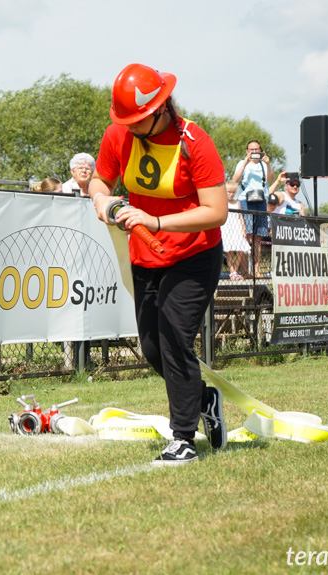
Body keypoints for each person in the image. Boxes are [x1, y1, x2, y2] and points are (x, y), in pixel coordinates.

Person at [88, 63, 228, 466]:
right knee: (152, 348)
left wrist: (156, 221)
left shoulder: (195, 141)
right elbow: (101, 181)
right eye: (125, 121)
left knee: (175, 339)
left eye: (138, 120)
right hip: (145, 257)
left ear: (161, 107)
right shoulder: (118, 135)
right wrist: (102, 200)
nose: (129, 128)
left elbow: (216, 211)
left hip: (194, 256)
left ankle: (183, 437)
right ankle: (202, 398)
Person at [232, 140, 274, 277]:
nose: (254, 152)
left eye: (257, 150)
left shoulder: (263, 164)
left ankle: (256, 269)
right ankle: (244, 270)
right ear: (247, 151)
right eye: (251, 150)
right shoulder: (242, 163)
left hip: (261, 201)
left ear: (261, 150)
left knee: (258, 238)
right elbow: (234, 180)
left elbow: (271, 179)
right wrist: (245, 162)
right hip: (245, 200)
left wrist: (267, 163)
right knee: (246, 236)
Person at [223, 181, 251, 280]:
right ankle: (232, 272)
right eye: (229, 192)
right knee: (229, 251)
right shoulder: (223, 202)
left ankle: (235, 270)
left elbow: (240, 216)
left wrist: (244, 229)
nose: (231, 194)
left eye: (233, 192)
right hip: (227, 228)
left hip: (237, 227)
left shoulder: (237, 203)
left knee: (241, 249)